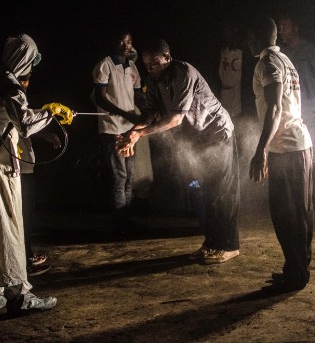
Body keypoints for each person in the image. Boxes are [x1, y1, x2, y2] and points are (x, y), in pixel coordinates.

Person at [0, 33, 74, 314]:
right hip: (1, 165)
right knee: (8, 226)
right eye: (31, 60)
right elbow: (25, 124)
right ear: (23, 58)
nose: (31, 67)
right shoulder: (9, 84)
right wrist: (50, 112)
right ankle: (19, 295)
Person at [116, 39, 240, 264]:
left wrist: (139, 135)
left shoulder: (184, 73)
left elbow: (175, 119)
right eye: (147, 65)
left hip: (217, 133)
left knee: (221, 192)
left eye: (155, 63)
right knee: (206, 192)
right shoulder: (154, 80)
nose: (151, 68)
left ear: (168, 58)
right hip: (199, 139)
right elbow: (150, 114)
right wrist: (132, 133)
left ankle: (230, 245)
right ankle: (212, 243)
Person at [247, 16, 314, 294]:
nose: (245, 42)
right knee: (297, 212)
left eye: (248, 37)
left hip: (286, 147)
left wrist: (260, 150)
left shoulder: (268, 63)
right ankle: (296, 270)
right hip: (296, 144)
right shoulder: (284, 59)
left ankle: (297, 275)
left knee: (288, 215)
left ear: (257, 38)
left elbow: (275, 109)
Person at [91, 29, 146, 236]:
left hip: (130, 129)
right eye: (122, 41)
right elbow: (100, 98)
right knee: (119, 177)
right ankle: (119, 223)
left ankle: (125, 220)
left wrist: (148, 110)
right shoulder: (104, 65)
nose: (126, 45)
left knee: (130, 177)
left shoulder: (132, 67)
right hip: (112, 128)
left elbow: (138, 96)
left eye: (129, 41)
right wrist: (126, 114)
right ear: (114, 43)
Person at [277, 14, 315, 164]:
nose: (281, 30)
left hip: (310, 105)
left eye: (286, 27)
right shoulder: (284, 53)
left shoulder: (308, 49)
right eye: (280, 27)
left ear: (296, 28)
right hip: (291, 107)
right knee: (298, 149)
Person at [17, 74, 57, 277]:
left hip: (25, 166)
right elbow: (23, 126)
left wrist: (45, 133)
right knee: (22, 215)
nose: (26, 84)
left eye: (28, 79)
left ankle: (27, 256)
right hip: (17, 168)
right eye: (24, 79)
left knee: (27, 214)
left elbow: (26, 125)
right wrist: (50, 113)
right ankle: (24, 263)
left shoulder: (15, 97)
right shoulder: (11, 94)